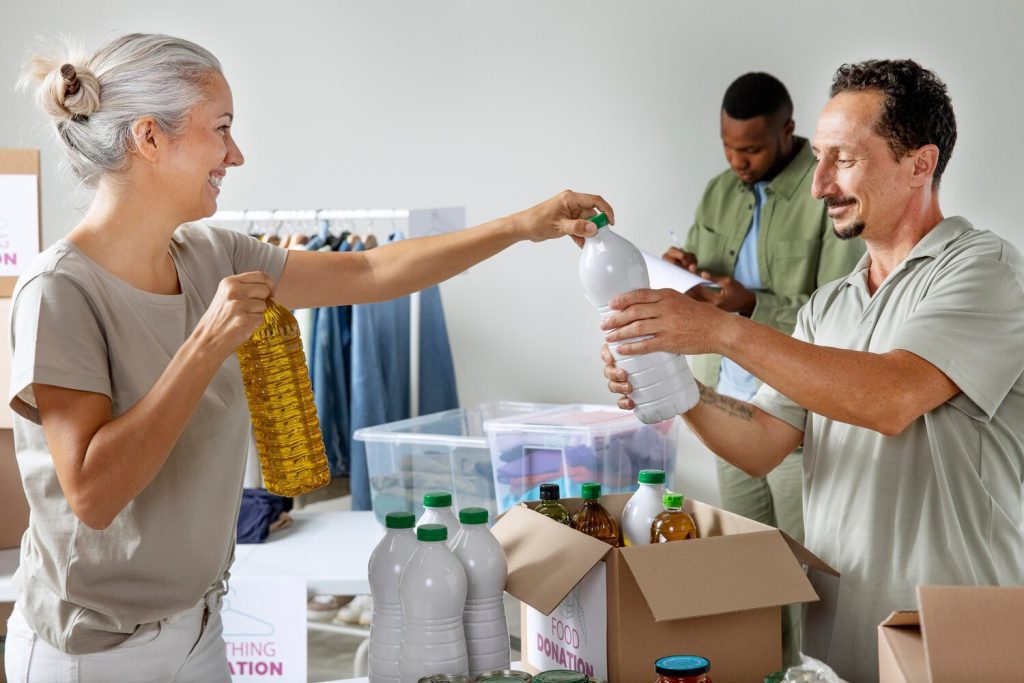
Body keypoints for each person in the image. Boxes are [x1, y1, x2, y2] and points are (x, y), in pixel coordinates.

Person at [6, 33, 612, 682]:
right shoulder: (60, 290)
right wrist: (205, 346)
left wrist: (523, 225)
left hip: (201, 626)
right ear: (150, 138)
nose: (235, 154)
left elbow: (373, 269)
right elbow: (94, 494)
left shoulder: (212, 255)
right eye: (222, 129)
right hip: (92, 654)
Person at [602, 59, 1024, 683]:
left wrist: (721, 329)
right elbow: (761, 443)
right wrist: (677, 384)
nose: (818, 184)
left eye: (843, 160)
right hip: (839, 640)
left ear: (920, 164)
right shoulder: (829, 306)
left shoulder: (983, 269)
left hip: (955, 638)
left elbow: (891, 397)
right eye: (819, 158)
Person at [666, 72, 863, 666]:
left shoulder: (828, 191)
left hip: (795, 413)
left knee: (805, 573)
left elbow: (840, 308)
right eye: (728, 148)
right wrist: (681, 270)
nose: (737, 161)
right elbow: (706, 284)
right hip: (731, 402)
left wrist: (749, 304)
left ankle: (809, 676)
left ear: (787, 132)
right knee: (745, 571)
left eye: (750, 149)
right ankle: (760, 673)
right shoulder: (719, 191)